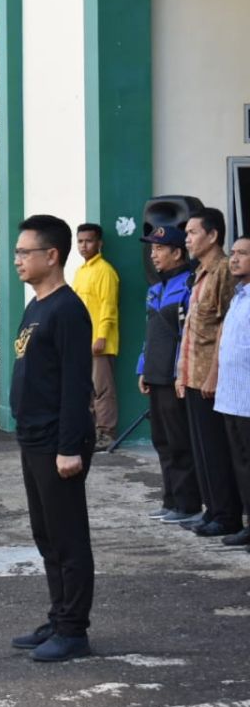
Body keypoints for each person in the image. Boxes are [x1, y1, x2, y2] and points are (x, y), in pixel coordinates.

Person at [9, 213, 95, 663]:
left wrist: (68, 447)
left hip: (57, 442)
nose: (18, 259)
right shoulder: (37, 305)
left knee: (68, 537)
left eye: (25, 252)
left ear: (51, 255)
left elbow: (76, 386)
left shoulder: (67, 310)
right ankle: (58, 615)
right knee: (46, 535)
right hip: (33, 438)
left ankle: (73, 630)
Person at [177, 208, 243, 537]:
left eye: (192, 233)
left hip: (210, 377)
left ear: (213, 235)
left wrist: (214, 373)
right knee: (201, 448)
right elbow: (191, 329)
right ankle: (212, 509)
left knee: (217, 449)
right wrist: (181, 373)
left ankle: (227, 514)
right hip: (192, 373)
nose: (187, 239)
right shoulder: (200, 272)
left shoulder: (223, 271)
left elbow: (225, 329)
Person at [136, 225, 202, 525]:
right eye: (152, 249)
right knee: (161, 440)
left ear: (177, 252)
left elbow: (189, 334)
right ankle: (170, 499)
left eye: (160, 249)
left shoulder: (188, 284)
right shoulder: (155, 288)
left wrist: (180, 373)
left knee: (179, 442)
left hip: (176, 376)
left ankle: (187, 503)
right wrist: (142, 367)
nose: (154, 255)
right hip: (155, 373)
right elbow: (150, 333)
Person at [213, 235, 250, 549]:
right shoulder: (238, 297)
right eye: (233, 253)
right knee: (241, 467)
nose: (234, 258)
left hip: (248, 400)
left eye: (242, 254)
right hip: (233, 399)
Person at [72, 223, 120, 449]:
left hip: (101, 344)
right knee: (86, 391)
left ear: (99, 243)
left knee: (102, 390)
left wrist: (101, 337)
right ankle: (91, 433)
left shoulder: (105, 271)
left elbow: (108, 308)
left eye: (88, 241)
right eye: (80, 241)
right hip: (82, 342)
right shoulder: (80, 272)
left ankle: (107, 434)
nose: (84, 245)